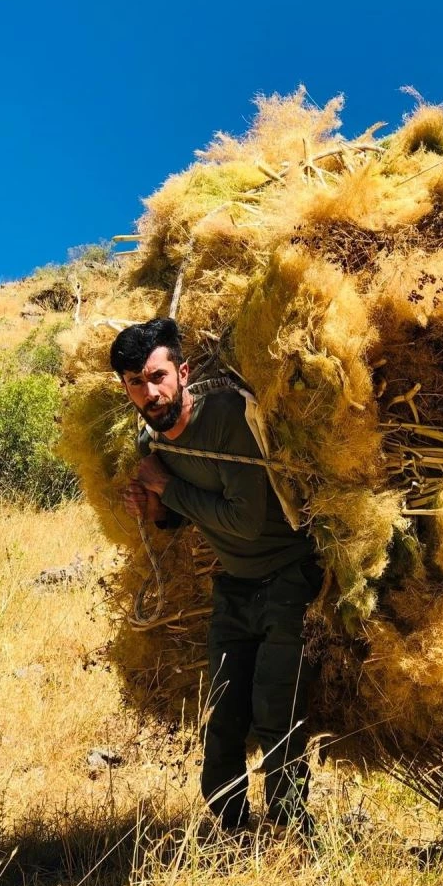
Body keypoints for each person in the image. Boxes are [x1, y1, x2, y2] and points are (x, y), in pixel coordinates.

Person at [110, 317, 322, 835]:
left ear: (182, 373)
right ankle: (233, 835)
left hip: (288, 579)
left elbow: (244, 522)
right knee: (222, 719)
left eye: (158, 376)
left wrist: (166, 487)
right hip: (234, 587)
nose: (150, 393)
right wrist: (154, 508)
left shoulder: (227, 417)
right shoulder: (151, 443)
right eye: (136, 383)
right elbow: (181, 518)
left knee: (275, 712)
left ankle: (293, 832)